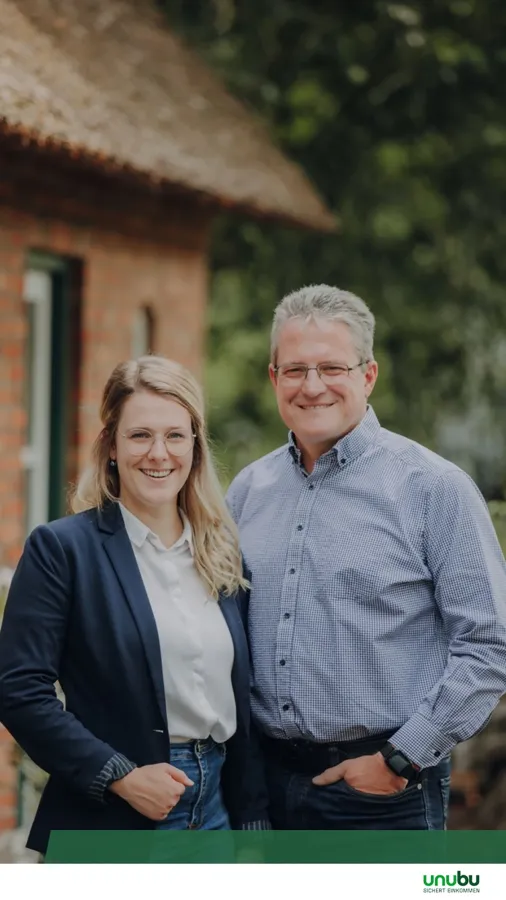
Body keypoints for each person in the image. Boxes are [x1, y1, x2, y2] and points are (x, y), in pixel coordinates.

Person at [226, 284, 506, 831]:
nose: (312, 387)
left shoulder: (434, 488)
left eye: (331, 367)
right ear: (273, 378)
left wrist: (400, 759)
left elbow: (489, 644)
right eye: (294, 370)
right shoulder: (247, 490)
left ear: (368, 375)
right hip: (266, 793)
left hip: (383, 795)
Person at [0, 355, 268, 857]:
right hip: (113, 815)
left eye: (175, 436)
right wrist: (119, 776)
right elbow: (18, 689)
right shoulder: (63, 550)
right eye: (140, 435)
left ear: (195, 447)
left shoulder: (222, 554)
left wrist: (251, 826)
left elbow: (242, 704)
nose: (158, 454)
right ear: (111, 448)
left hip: (216, 812)